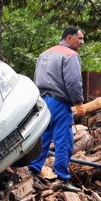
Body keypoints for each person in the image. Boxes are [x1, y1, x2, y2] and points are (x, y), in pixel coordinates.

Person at [29, 26, 85, 189]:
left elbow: (36, 77)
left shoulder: (45, 53)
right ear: (69, 38)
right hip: (59, 102)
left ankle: (33, 170)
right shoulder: (70, 55)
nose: (82, 42)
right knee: (63, 140)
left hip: (43, 100)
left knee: (43, 137)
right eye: (79, 38)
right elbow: (73, 82)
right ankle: (63, 177)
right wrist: (78, 102)